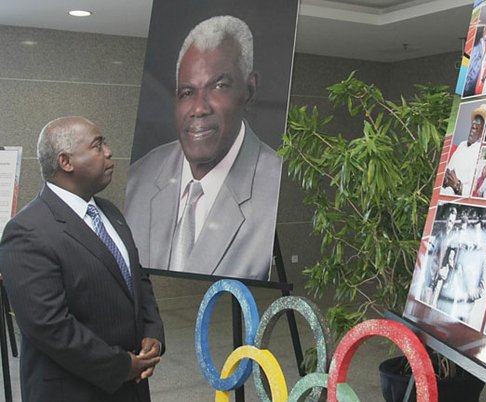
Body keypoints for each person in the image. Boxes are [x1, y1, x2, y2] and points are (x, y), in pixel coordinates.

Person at [0, 116, 165, 402]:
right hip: (74, 390)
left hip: (132, 384)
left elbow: (137, 277)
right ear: (66, 162)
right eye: (97, 145)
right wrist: (121, 365)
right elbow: (49, 326)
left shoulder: (110, 212)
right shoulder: (27, 231)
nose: (109, 151)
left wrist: (153, 333)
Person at [124, 16, 281, 280]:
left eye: (219, 86)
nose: (198, 108)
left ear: (250, 90)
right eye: (186, 92)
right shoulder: (140, 178)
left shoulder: (275, 188)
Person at [442, 103, 486, 196]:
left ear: (483, 131)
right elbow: (449, 168)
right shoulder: (461, 145)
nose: (473, 128)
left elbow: (472, 189)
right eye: (473, 125)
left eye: (477, 126)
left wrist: (457, 185)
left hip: (455, 197)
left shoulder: (480, 152)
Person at [463, 23, 486, 97]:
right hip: (473, 77)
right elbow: (470, 63)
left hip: (482, 76)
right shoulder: (475, 47)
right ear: (483, 30)